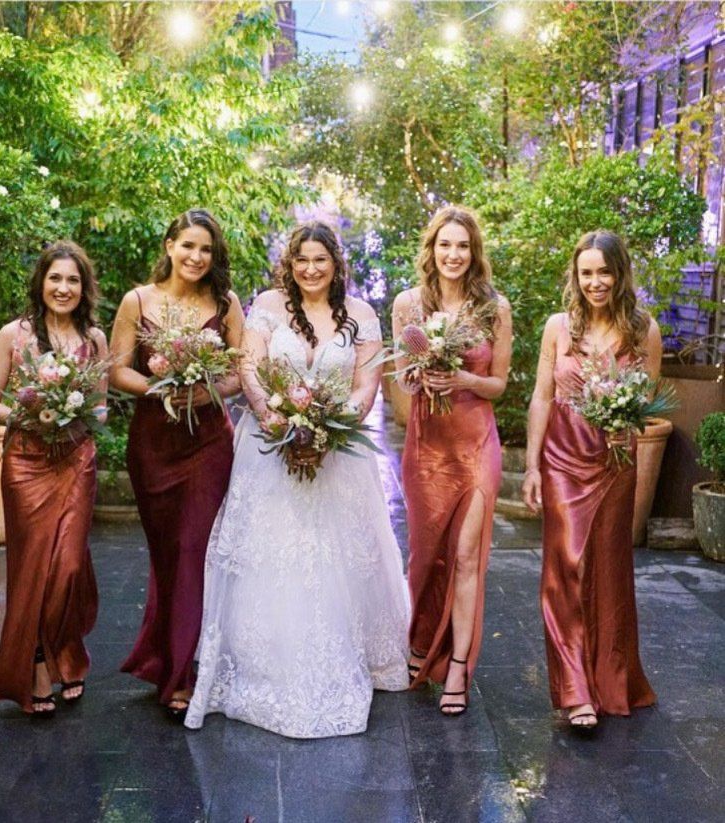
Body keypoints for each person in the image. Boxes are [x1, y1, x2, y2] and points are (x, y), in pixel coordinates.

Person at [185, 221, 409, 738]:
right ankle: (264, 662)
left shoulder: (361, 315)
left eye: (320, 260)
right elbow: (251, 368)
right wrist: (278, 423)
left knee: (333, 557)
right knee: (273, 555)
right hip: (269, 451)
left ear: (336, 265)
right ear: (290, 264)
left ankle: (344, 653)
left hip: (337, 456)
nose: (310, 269)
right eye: (302, 260)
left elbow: (366, 385)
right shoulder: (266, 305)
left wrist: (328, 431)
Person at [109, 209, 244, 720]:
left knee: (195, 548)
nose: (196, 257)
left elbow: (240, 370)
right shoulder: (137, 301)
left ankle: (185, 674)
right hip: (152, 444)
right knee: (167, 553)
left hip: (208, 442)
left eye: (206, 249)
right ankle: (165, 656)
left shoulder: (225, 303)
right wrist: (161, 388)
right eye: (188, 245)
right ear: (169, 246)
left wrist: (205, 394)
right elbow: (117, 370)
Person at [522, 230, 660, 730]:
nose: (595, 282)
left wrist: (626, 418)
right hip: (562, 457)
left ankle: (613, 680)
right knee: (564, 570)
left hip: (616, 462)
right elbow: (541, 397)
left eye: (604, 272)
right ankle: (575, 689)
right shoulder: (558, 328)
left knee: (609, 570)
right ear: (575, 277)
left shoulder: (644, 331)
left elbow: (647, 403)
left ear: (620, 274)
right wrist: (533, 465)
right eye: (586, 273)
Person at [392, 205, 512, 715]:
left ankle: (459, 666)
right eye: (445, 244)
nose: (454, 254)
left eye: (463, 246)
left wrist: (461, 379)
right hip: (426, 446)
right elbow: (400, 379)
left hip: (476, 442)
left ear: (474, 252)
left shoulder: (494, 308)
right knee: (424, 556)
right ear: (432, 249)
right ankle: (421, 640)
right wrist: (423, 374)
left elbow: (500, 385)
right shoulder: (407, 305)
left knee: (467, 556)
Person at [0, 240, 108, 717]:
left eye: (73, 279)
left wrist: (71, 415)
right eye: (55, 278)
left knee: (69, 566)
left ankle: (67, 648)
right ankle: (36, 660)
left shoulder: (94, 339)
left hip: (76, 459)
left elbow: (99, 408)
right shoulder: (14, 335)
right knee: (33, 568)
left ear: (83, 287)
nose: (63, 287)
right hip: (26, 461)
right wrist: (35, 413)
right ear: (40, 282)